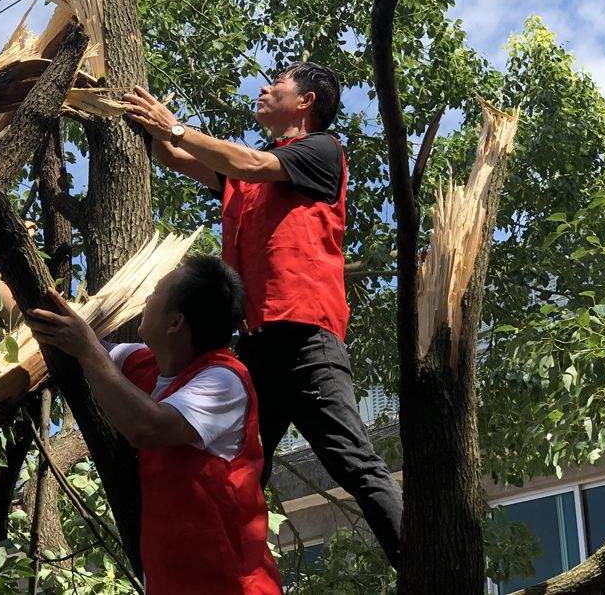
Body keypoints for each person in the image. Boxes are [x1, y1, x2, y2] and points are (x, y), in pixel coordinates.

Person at [122, 62, 403, 567]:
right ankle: (228, 574)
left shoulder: (320, 150)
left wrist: (175, 125)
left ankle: (423, 565)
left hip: (304, 335)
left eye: (281, 82)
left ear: (307, 102)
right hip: (253, 343)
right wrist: (138, 119)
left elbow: (245, 163)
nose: (266, 88)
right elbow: (174, 155)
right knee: (242, 471)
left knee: (351, 460)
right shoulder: (246, 177)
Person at [24, 255, 282, 594]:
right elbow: (71, 336)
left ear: (175, 323)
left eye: (157, 291)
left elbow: (147, 427)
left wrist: (87, 349)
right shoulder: (145, 365)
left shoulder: (223, 380)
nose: (147, 297)